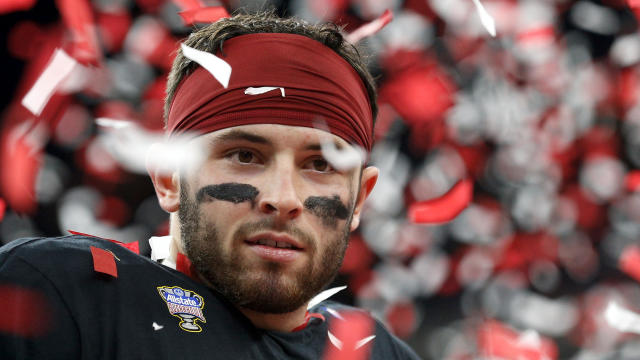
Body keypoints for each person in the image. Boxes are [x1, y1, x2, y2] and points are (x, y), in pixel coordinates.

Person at [0, 12, 421, 359]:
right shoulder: (64, 293)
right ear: (168, 178)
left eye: (320, 165)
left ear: (360, 199)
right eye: (245, 156)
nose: (282, 198)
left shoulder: (378, 351)